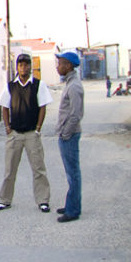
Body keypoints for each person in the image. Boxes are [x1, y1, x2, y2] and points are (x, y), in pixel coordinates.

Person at [0, 53, 52, 213]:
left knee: (38, 168)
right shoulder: (10, 86)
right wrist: (7, 128)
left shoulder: (38, 85)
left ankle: (43, 200)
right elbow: (4, 107)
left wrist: (38, 128)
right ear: (17, 67)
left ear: (30, 66)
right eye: (20, 65)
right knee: (10, 169)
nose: (23, 67)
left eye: (26, 64)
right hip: (15, 134)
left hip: (32, 133)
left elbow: (43, 107)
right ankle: (4, 200)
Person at [55, 50, 84, 223]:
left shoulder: (74, 86)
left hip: (70, 135)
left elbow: (76, 114)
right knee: (70, 173)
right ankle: (71, 204)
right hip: (67, 134)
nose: (58, 67)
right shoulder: (70, 83)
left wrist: (66, 133)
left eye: (60, 63)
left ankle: (73, 211)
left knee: (73, 174)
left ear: (68, 65)